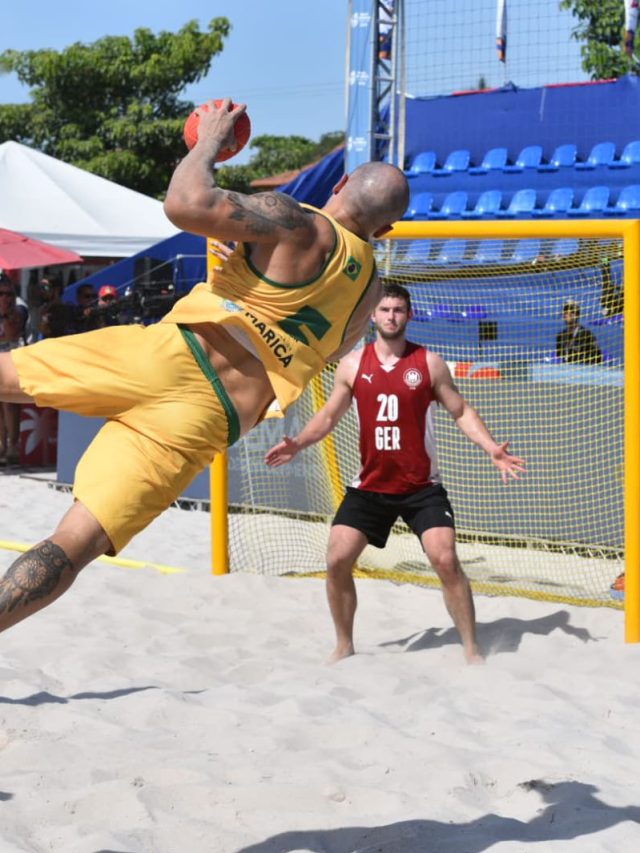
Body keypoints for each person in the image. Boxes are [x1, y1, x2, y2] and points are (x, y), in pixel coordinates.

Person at [0, 98, 410, 636]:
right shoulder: (369, 296)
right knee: (73, 546)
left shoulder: (297, 220)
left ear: (341, 184)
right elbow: (321, 349)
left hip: (173, 355)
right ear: (384, 231)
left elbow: (184, 203)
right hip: (207, 419)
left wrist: (209, 142)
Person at [265, 283, 527, 664]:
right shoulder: (353, 364)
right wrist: (298, 443)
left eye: (398, 310)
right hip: (370, 487)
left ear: (409, 315)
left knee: (445, 559)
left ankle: (471, 648)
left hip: (421, 487)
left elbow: (461, 412)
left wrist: (491, 449)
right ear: (372, 315)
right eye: (384, 310)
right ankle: (344, 644)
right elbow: (327, 416)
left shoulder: (429, 363)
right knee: (337, 559)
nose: (391, 316)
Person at [0, 275, 28, 466]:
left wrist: (4, 312)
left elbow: (12, 333)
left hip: (11, 358)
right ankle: (2, 446)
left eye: (8, 293)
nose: (5, 297)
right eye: (0, 293)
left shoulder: (18, 307)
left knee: (10, 404)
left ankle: (13, 445)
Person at [555, 299, 602, 365]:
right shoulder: (560, 336)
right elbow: (559, 357)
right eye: (566, 311)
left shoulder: (586, 334)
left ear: (577, 314)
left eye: (572, 311)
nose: (568, 314)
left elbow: (598, 357)